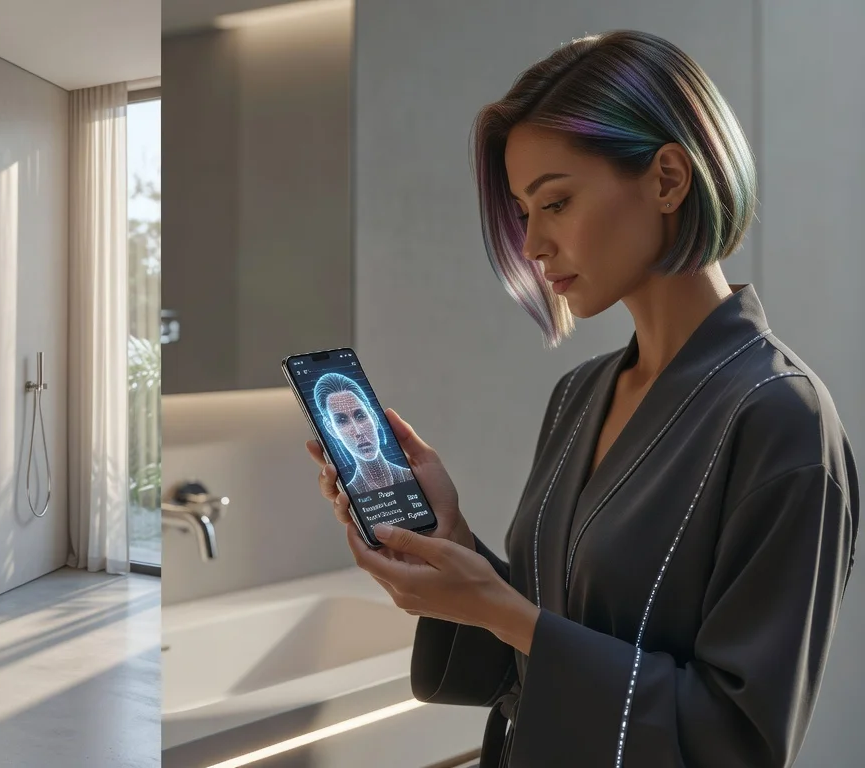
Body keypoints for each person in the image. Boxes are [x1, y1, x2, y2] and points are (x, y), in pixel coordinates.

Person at [307, 30, 858, 767]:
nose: (532, 245)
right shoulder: (580, 395)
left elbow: (740, 742)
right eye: (523, 213)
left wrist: (503, 612)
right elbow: (534, 649)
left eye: (555, 202)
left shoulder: (781, 420)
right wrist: (454, 544)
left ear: (668, 179)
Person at [313, 372, 414, 494]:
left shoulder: (414, 478)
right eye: (342, 420)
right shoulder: (350, 495)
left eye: (360, 416)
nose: (358, 431)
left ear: (374, 417)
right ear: (331, 429)